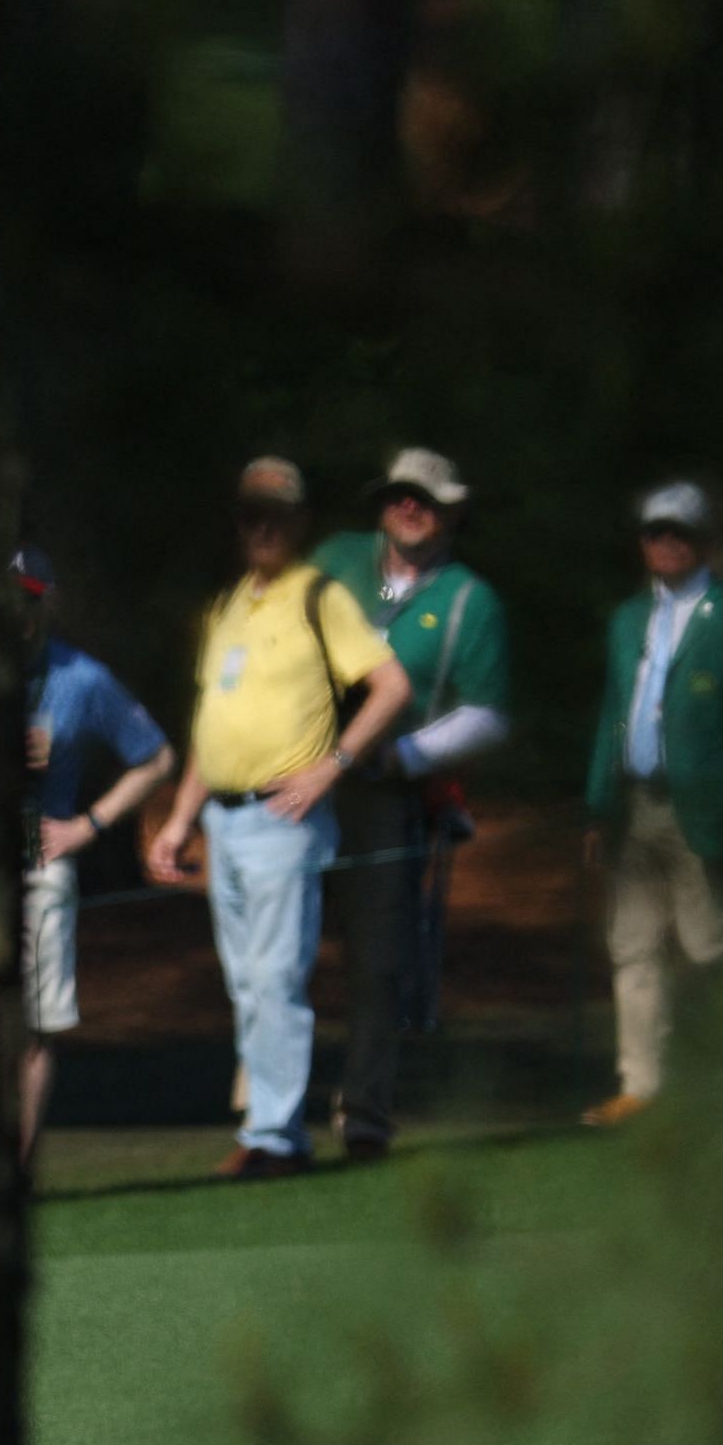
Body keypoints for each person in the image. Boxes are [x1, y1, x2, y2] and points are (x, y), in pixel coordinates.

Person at [146, 459, 413, 1177]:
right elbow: (211, 724)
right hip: (225, 823)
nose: (263, 528)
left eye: (277, 516)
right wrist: (178, 821)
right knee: (246, 981)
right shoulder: (229, 606)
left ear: (299, 524)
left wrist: (335, 763)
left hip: (281, 815)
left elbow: (390, 686)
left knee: (274, 978)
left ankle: (275, 1135)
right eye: (251, 515)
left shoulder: (317, 596)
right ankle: (270, 1127)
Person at [310, 448, 514, 1159]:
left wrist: (406, 756)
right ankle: (266, 1110)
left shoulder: (470, 600)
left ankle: (364, 1109)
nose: (409, 507)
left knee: (378, 960)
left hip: (384, 792)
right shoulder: (335, 558)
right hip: (293, 780)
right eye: (399, 495)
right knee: (280, 953)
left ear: (451, 510)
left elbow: (486, 713)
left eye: (424, 498)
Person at [578, 482, 723, 1126]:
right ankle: (642, 1088)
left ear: (704, 542)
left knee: (713, 944)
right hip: (633, 806)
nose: (665, 544)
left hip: (702, 806)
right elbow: (611, 712)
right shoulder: (627, 619)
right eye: (655, 533)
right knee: (632, 947)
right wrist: (595, 805)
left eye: (678, 533)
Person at [13, 549, 173, 1165]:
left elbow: (156, 758)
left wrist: (89, 824)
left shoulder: (79, 678)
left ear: (44, 604)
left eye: (27, 600)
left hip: (34, 844)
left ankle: (15, 1171)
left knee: (33, 1028)